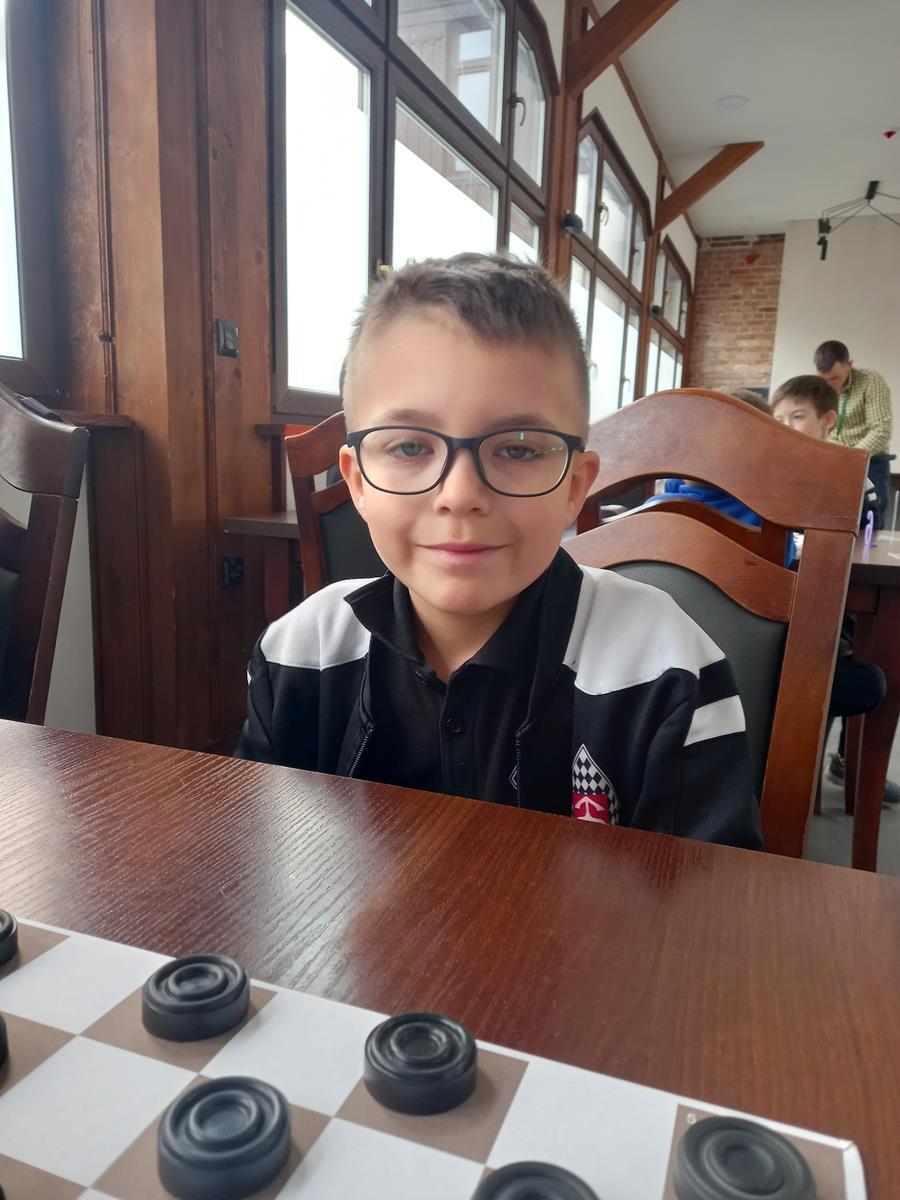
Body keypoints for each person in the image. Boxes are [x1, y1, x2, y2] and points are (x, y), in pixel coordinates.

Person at [236, 254, 761, 848]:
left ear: (574, 486)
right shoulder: (300, 653)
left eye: (518, 449)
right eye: (409, 447)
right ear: (356, 482)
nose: (460, 495)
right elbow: (267, 864)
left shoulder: (668, 670)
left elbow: (706, 897)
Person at [771, 374, 898, 804]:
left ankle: (847, 762)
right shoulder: (768, 471)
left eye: (797, 417)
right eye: (778, 418)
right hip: (776, 624)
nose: (786, 427)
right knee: (861, 670)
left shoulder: (849, 476)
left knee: (854, 643)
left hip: (818, 608)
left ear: (828, 420)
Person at [814, 340, 893, 528]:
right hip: (834, 461)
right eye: (824, 379)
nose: (829, 385)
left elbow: (881, 430)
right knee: (833, 518)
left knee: (870, 520)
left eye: (835, 378)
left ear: (849, 364)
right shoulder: (820, 387)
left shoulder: (871, 382)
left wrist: (851, 458)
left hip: (870, 461)